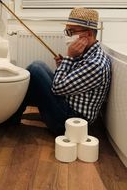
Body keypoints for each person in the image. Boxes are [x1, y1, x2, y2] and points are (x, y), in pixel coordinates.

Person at [8, 7, 111, 135]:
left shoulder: (95, 64)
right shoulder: (87, 53)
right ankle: (11, 114)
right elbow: (67, 82)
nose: (68, 35)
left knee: (36, 68)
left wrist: (68, 58)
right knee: (38, 68)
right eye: (67, 31)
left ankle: (11, 117)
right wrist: (64, 64)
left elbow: (57, 87)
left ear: (88, 34)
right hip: (67, 104)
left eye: (71, 31)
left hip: (71, 122)